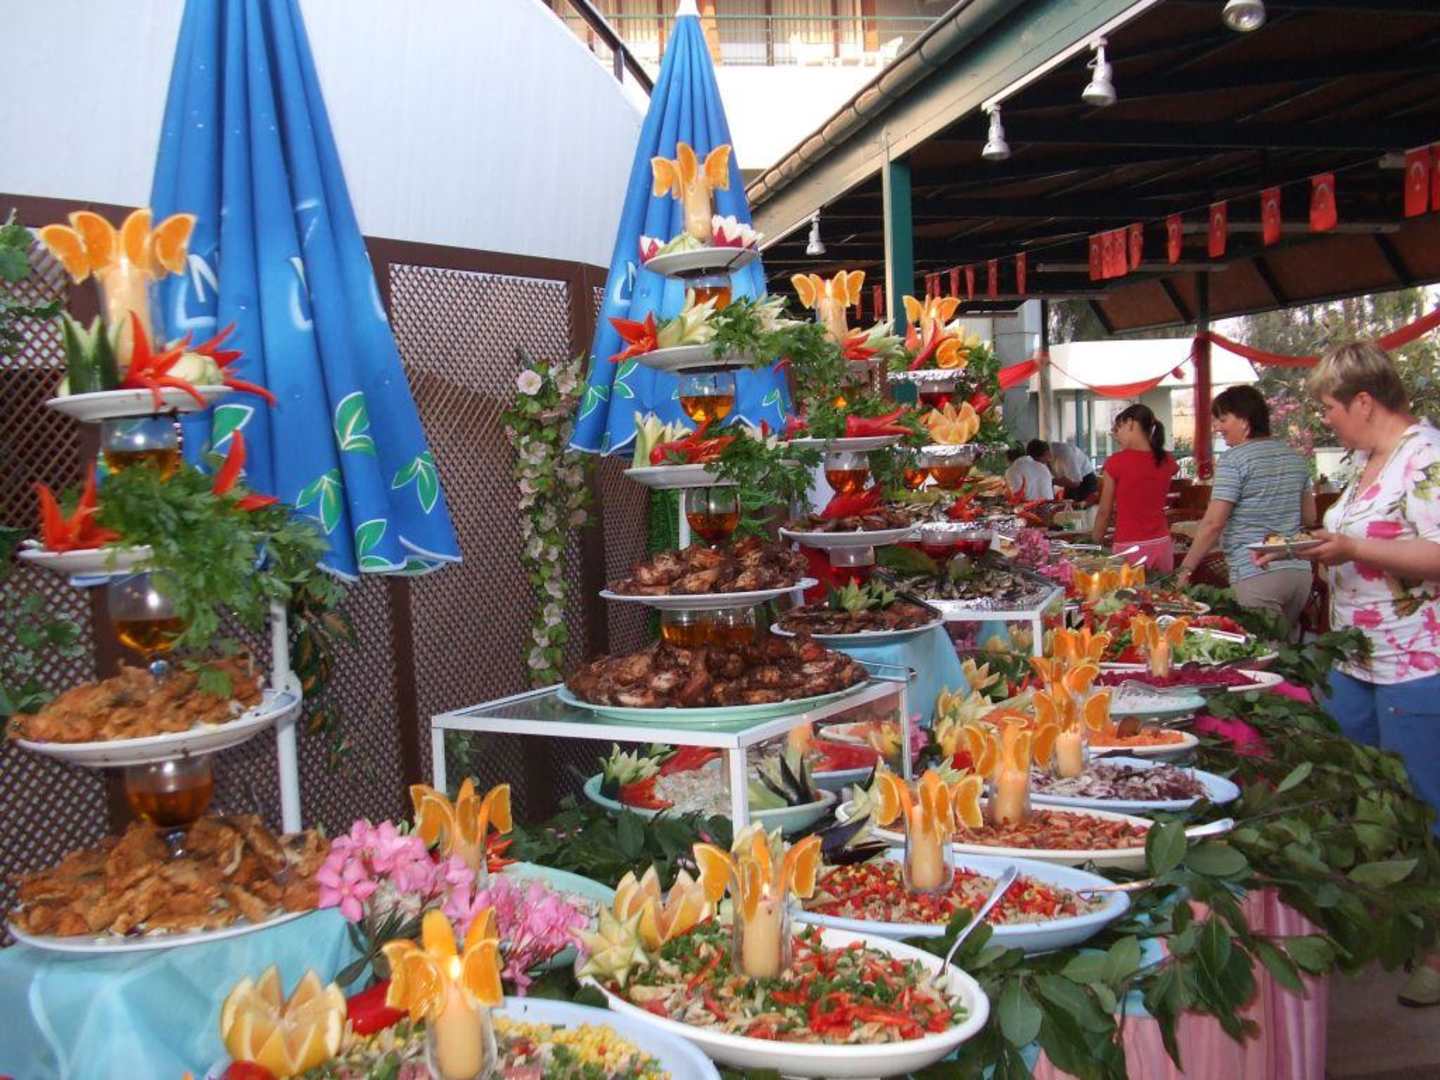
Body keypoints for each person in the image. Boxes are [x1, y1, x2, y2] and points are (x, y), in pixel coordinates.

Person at [1261, 342, 1440, 1007]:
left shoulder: (1425, 456)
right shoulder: (1370, 460)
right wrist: (1317, 549)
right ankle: (1388, 921)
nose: (1327, 420)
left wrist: (1352, 546)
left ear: (1364, 401)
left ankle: (1435, 952)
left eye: (1331, 408)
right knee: (1360, 798)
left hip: (1415, 663)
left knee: (1425, 809)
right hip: (1356, 659)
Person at [1175, 385, 1315, 634]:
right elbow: (1309, 516)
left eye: (1223, 419)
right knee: (1285, 649)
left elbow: (1213, 524)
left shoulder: (1234, 460)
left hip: (1255, 571)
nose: (1217, 427)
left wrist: (1186, 568)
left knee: (1258, 652)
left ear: (1245, 420)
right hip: (1299, 573)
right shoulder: (1295, 458)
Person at [1090, 403, 1177, 573]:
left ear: (1130, 423)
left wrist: (1093, 547)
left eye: (1118, 428)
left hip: (1129, 547)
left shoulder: (1116, 462)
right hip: (1162, 544)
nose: (1116, 435)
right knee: (1163, 589)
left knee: (1128, 591)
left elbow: (1104, 512)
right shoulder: (1167, 460)